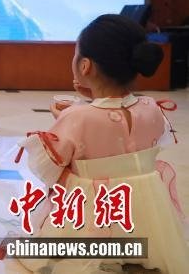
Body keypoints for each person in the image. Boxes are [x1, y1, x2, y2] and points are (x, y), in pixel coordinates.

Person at [15, 14, 188, 274]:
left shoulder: (77, 117)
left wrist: (66, 119)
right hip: (143, 211)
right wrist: (89, 102)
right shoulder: (151, 107)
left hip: (92, 214)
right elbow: (122, 131)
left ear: (85, 66)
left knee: (27, 247)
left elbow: (49, 169)